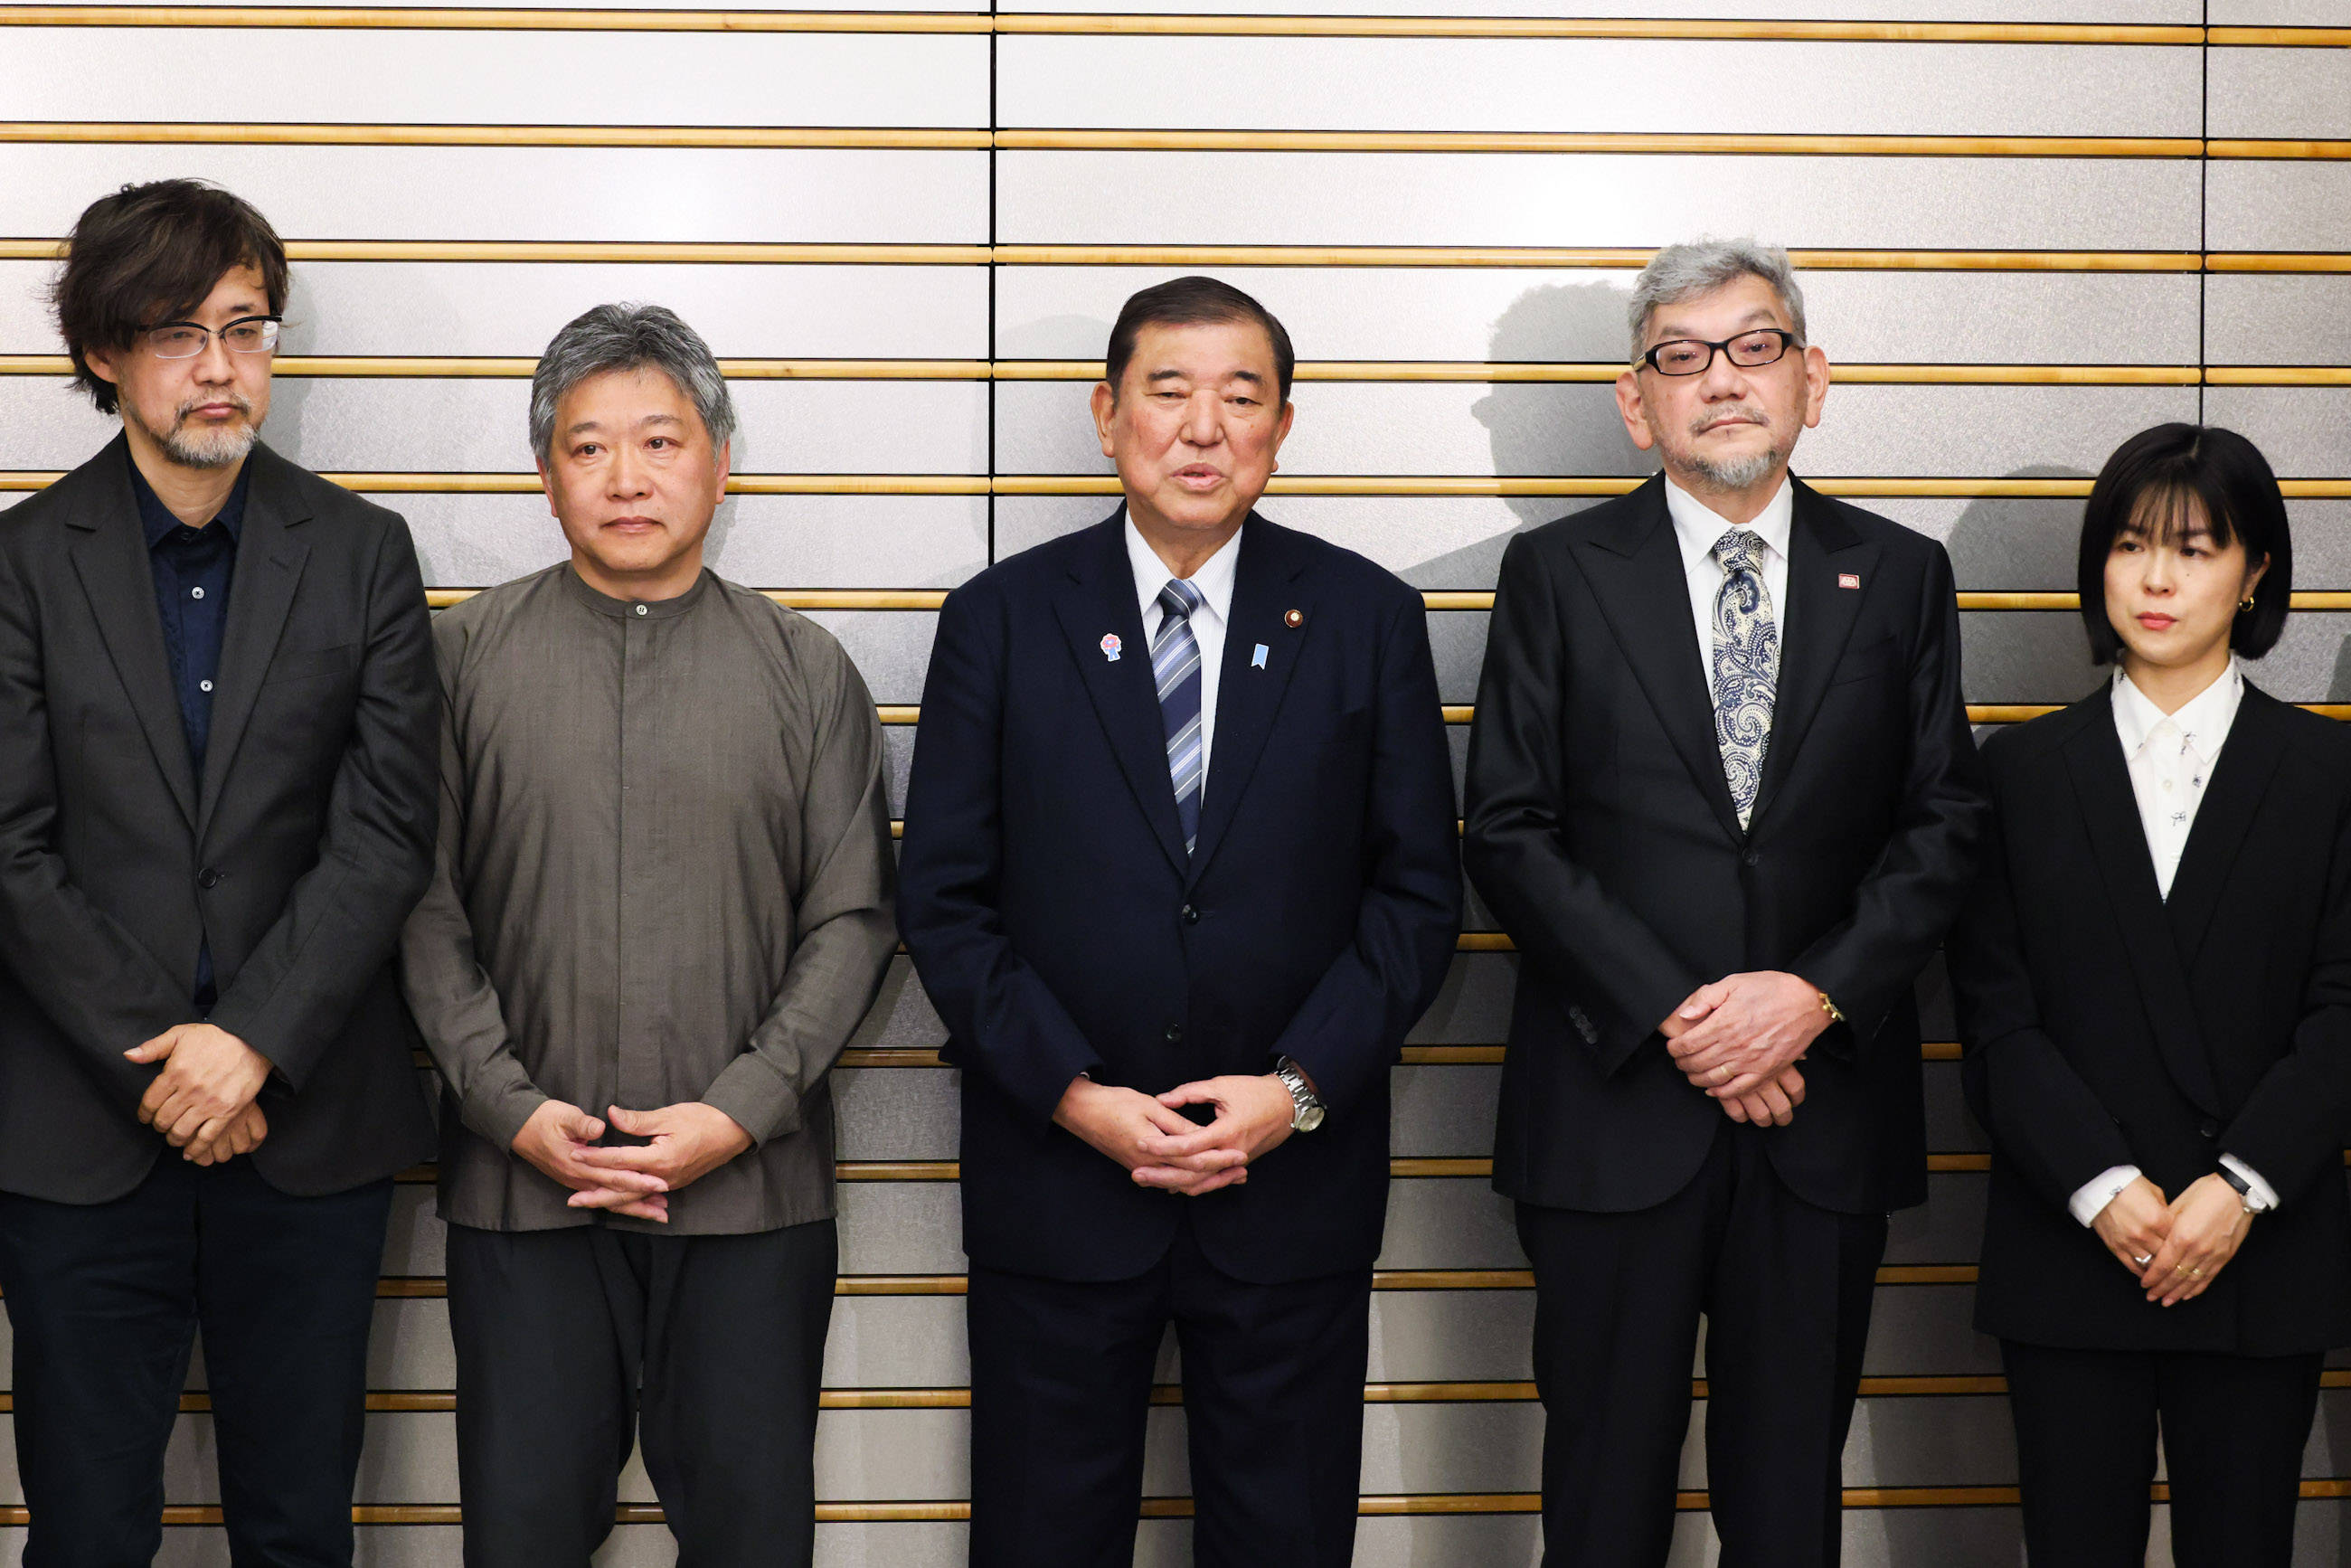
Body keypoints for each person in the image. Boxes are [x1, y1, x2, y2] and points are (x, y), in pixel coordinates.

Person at [897, 276, 1459, 1568]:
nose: (1203, 427)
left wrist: (1294, 1092)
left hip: (1288, 1188)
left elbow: (1418, 895)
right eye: (1169, 391)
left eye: (1240, 397)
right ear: (1107, 415)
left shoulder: (1366, 617)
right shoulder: (1001, 618)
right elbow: (943, 899)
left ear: (1281, 426)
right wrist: (1074, 1095)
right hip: (1058, 1184)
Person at [1460, 239, 1988, 1565]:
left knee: (1789, 1504)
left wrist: (1809, 998)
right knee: (1601, 1503)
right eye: (1681, 356)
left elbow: (1943, 822)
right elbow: (1510, 829)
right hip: (1613, 1112)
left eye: (1755, 347)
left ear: (1813, 377)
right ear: (1635, 403)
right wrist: (1686, 1016)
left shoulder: (1902, 573)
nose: (1723, 380)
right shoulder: (1557, 573)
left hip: (1822, 1115)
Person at [398, 303, 897, 1568]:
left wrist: (736, 1112)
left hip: (749, 1195)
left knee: (750, 1536)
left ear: (719, 464)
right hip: (523, 1186)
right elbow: (418, 904)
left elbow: (850, 919)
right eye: (588, 447)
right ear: (546, 473)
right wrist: (509, 1108)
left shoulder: (807, 670)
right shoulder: (457, 661)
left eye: (660, 442)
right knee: (520, 1537)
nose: (626, 477)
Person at [0, 178, 440, 1565]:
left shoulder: (363, 553)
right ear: (102, 351)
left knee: (301, 1526)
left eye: (246, 328)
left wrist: (249, 1041)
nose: (219, 366)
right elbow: (9, 845)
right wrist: (167, 1059)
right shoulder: (19, 563)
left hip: (303, 1126)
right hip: (78, 1130)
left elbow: (386, 830)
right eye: (178, 330)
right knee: (84, 1530)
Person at [1946, 423, 2351, 1565]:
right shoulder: (2017, 772)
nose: (2156, 579)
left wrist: (2240, 1186)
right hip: (2070, 1244)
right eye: (2128, 546)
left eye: (2193, 548)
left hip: (2260, 1246)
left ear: (2254, 571)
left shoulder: (2328, 774)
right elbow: (1994, 1020)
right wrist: (2102, 1186)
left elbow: (2343, 1013)